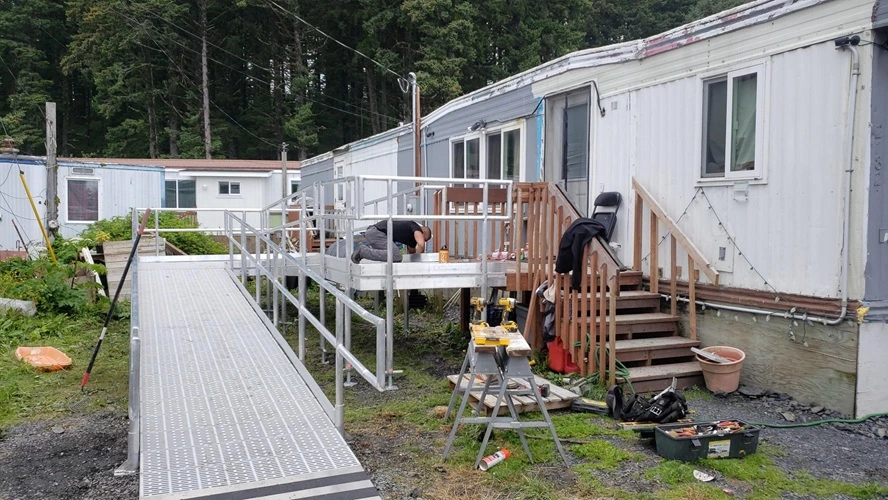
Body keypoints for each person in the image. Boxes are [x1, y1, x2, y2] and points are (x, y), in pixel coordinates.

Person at [351, 220, 432, 263]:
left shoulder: (411, 238)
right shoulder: (415, 226)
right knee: (396, 256)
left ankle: (363, 252)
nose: (424, 241)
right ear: (423, 233)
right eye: (425, 239)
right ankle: (363, 251)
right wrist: (420, 262)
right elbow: (421, 244)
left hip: (374, 233)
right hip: (377, 232)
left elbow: (412, 253)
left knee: (388, 255)